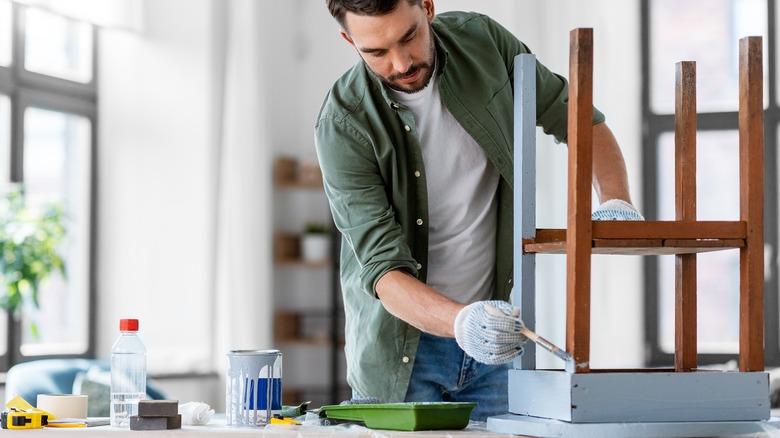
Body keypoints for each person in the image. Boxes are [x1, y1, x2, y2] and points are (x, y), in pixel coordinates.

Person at [314, 0, 643, 421]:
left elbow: (573, 113)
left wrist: (615, 198)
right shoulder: (344, 122)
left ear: (428, 7)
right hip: (403, 357)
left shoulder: (484, 42)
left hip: (497, 344)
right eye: (375, 52)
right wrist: (464, 323)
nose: (400, 63)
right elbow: (382, 271)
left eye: (408, 37)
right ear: (349, 40)